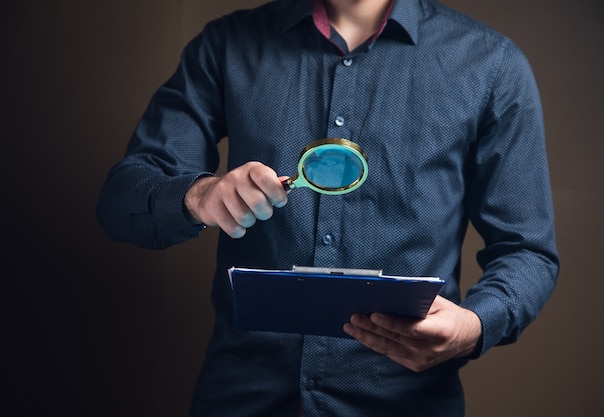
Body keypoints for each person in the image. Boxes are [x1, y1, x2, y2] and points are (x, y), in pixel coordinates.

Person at [96, 0, 559, 415]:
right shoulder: (225, 44)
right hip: (239, 398)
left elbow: (528, 252)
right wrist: (199, 196)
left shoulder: (492, 65)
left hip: (405, 404)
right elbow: (121, 200)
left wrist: (473, 327)